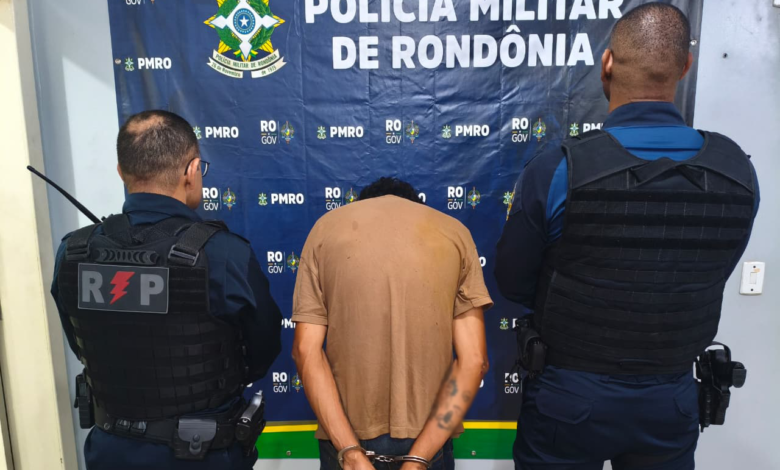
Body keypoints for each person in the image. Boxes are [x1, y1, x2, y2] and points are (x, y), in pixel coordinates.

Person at [495, 4, 760, 470]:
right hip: (671, 399)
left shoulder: (558, 170)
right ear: (685, 66)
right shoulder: (736, 171)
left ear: (607, 64)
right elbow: (716, 269)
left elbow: (513, 282)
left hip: (570, 396)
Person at [50, 110, 283, 469]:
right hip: (202, 454)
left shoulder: (74, 251)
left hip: (110, 451)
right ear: (192, 171)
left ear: (121, 172)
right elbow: (263, 348)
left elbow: (77, 340)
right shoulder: (223, 254)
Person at [291, 177, 493, 470]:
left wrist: (351, 453)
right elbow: (474, 361)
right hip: (429, 444)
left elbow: (304, 351)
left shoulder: (325, 229)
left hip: (344, 443)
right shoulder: (454, 233)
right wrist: (419, 459)